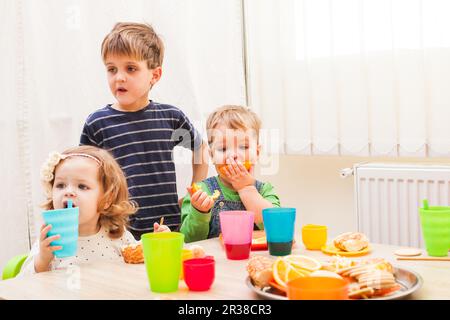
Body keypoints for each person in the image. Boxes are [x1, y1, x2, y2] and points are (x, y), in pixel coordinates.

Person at [80, 22, 209, 240]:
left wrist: (194, 190)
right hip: (118, 233)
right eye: (112, 69)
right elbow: (84, 175)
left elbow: (200, 148)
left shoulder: (171, 116)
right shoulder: (97, 123)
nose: (119, 77)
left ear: (155, 75)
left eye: (130, 68)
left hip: (169, 226)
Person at [19, 146, 170, 275]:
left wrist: (157, 245)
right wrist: (42, 260)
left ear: (107, 200)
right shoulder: (50, 242)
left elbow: (140, 264)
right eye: (60, 185)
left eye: (82, 186)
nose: (68, 192)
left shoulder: (117, 235)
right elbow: (23, 286)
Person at [180, 105, 280, 242]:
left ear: (256, 153)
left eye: (244, 147)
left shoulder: (265, 191)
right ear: (212, 156)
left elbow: (276, 227)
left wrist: (246, 189)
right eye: (223, 148)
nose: (233, 155)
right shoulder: (200, 192)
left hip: (255, 261)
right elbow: (188, 241)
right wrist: (200, 212)